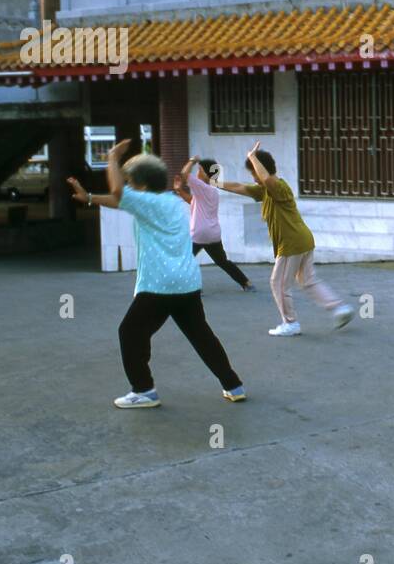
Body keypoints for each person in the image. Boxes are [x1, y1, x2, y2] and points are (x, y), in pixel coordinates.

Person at [66, 139, 245, 408]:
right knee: (201, 334)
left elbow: (117, 193)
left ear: (141, 183)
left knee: (130, 332)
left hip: (160, 285)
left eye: (130, 180)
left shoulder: (146, 201)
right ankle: (234, 385)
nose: (127, 185)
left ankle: (144, 390)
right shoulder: (170, 201)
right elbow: (120, 201)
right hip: (187, 282)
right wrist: (90, 198)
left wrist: (113, 157)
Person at [219, 142, 353, 336]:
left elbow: (266, 179)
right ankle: (340, 308)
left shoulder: (278, 186)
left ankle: (290, 323)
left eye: (254, 172)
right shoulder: (263, 190)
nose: (253, 177)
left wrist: (253, 157)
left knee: (278, 283)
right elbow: (239, 186)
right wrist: (215, 182)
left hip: (292, 243)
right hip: (303, 240)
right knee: (307, 280)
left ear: (261, 170)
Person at [174, 156, 255, 292]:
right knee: (222, 261)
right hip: (212, 234)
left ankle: (191, 288)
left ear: (206, 174)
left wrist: (192, 161)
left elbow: (183, 175)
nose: (197, 173)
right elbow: (193, 201)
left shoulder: (202, 187)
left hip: (199, 233)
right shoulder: (212, 191)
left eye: (199, 170)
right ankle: (246, 283)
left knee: (184, 261)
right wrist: (179, 191)